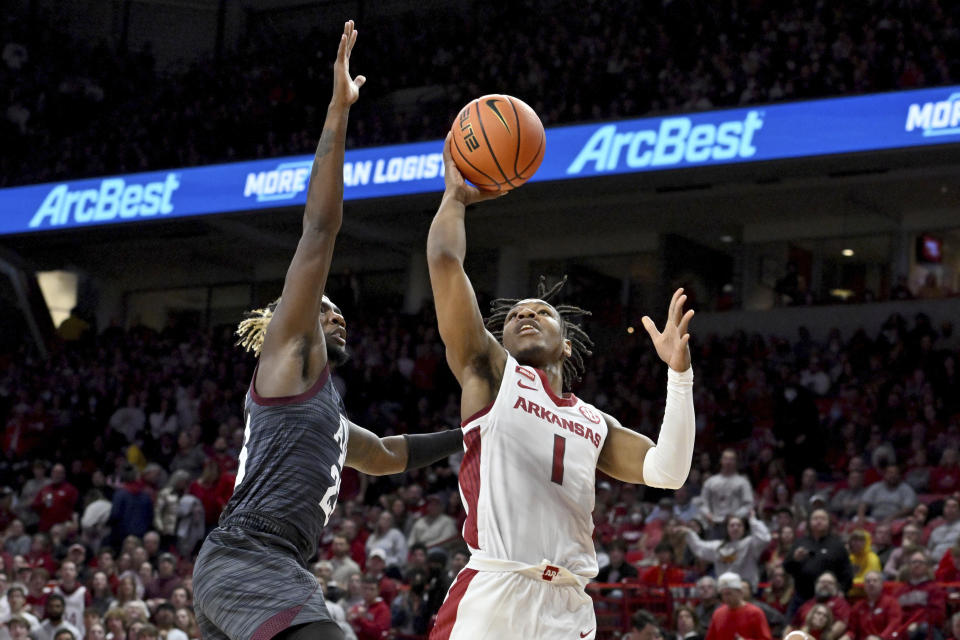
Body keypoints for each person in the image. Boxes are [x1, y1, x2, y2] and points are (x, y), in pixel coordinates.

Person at [191, 23, 465, 640]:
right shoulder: (288, 355)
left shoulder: (332, 420)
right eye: (325, 305)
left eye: (339, 309)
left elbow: (391, 455)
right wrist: (338, 113)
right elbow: (318, 229)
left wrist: (470, 434)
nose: (336, 313)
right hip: (248, 558)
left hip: (268, 564)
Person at [424, 137, 696, 639]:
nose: (526, 313)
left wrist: (679, 376)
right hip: (496, 592)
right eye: (515, 315)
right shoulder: (489, 373)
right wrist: (455, 199)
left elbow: (669, 472)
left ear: (567, 346)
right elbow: (444, 261)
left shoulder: (594, 423)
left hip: (569, 607)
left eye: (542, 311)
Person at [681, 510, 770, 589]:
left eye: (739, 525)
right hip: (724, 591)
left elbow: (765, 538)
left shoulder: (750, 544)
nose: (735, 528)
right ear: (727, 529)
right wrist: (689, 533)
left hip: (745, 589)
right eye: (732, 525)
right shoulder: (718, 547)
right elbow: (699, 547)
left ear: (744, 529)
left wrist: (753, 520)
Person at [785, 509, 853, 603]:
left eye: (822, 518)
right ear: (809, 522)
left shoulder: (837, 545)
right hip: (802, 596)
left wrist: (842, 590)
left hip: (829, 597)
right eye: (815, 518)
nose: (819, 521)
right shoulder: (800, 542)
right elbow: (787, 568)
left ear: (828, 522)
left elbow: (847, 573)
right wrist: (795, 559)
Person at [700, 450, 754, 538]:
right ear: (721, 461)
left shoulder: (743, 482)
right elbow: (703, 503)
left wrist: (736, 515)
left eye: (731, 459)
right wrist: (708, 514)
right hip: (715, 524)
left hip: (735, 526)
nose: (728, 462)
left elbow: (749, 504)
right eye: (726, 458)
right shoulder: (710, 482)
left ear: (736, 462)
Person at [704, 572, 772, 640]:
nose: (726, 598)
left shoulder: (755, 613)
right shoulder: (718, 614)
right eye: (723, 594)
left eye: (729, 593)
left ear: (740, 592)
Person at [790, 572, 850, 640]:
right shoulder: (807, 604)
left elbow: (841, 625)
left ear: (836, 586)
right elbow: (793, 625)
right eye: (822, 582)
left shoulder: (841, 603)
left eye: (830, 583)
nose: (825, 585)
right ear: (816, 584)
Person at [845, 571, 901, 640]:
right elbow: (852, 630)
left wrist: (880, 638)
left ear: (881, 584)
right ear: (864, 586)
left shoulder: (891, 603)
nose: (871, 583)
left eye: (875, 581)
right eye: (868, 581)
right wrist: (846, 637)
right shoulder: (857, 606)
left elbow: (893, 625)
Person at [928, 495, 960, 561]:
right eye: (947, 506)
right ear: (943, 509)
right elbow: (929, 550)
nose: (950, 509)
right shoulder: (936, 530)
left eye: (954, 506)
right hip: (934, 564)